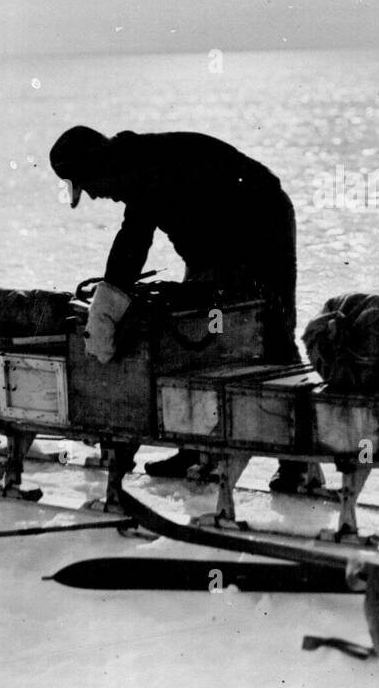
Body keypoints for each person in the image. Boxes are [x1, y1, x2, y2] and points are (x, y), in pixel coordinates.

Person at [50, 126, 317, 493]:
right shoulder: (131, 164)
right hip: (214, 240)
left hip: (259, 220)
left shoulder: (140, 165)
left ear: (97, 166)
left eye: (87, 184)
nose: (94, 195)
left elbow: (134, 239)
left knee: (270, 333)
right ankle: (194, 450)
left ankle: (300, 463)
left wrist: (107, 303)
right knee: (199, 333)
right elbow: (135, 236)